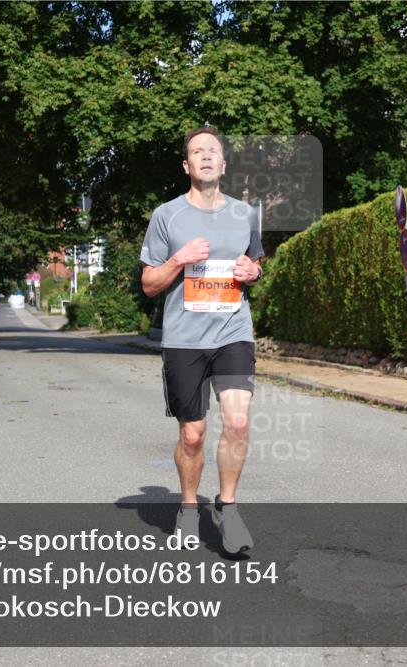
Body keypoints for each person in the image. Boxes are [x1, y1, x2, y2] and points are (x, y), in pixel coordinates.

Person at [140, 126, 264, 554]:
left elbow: (255, 264)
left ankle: (227, 509)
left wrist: (254, 272)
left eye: (213, 150)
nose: (206, 156)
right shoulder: (166, 216)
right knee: (192, 434)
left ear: (224, 164)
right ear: (187, 165)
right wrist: (179, 259)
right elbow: (150, 284)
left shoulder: (246, 214)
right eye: (198, 151)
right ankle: (190, 508)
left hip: (233, 331)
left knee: (238, 422)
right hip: (184, 339)